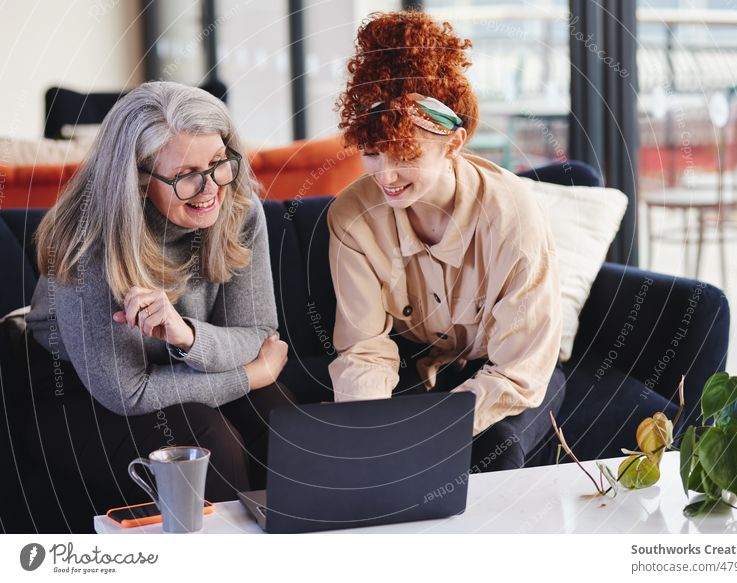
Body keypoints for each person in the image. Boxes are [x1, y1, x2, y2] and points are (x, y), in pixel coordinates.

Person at [21, 81, 292, 505]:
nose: (211, 189)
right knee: (205, 441)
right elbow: (130, 390)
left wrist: (186, 336)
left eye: (219, 163)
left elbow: (258, 333)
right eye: (186, 177)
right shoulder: (87, 243)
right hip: (73, 384)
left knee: (279, 420)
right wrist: (250, 375)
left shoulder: (238, 208)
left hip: (176, 359)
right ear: (140, 181)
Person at [328, 11, 565, 472]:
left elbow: (519, 372)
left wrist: (426, 430)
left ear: (453, 144)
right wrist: (366, 435)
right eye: (372, 154)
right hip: (417, 366)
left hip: (515, 371)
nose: (385, 176)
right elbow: (364, 350)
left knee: (491, 448)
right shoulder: (351, 217)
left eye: (406, 156)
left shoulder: (513, 216)